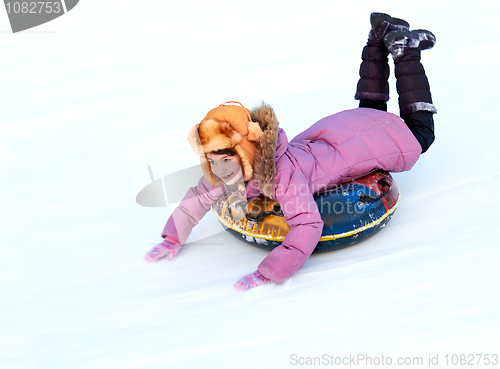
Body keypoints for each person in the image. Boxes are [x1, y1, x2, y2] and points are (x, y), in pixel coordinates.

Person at [144, 12, 437, 291]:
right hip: (336, 133)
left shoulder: (281, 177)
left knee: (421, 134)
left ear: (245, 152)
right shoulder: (227, 167)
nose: (219, 171)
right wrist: (172, 237)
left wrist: (268, 272)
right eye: (211, 160)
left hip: (355, 144)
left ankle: (405, 49)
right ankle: (378, 36)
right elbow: (197, 197)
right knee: (371, 111)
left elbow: (308, 224)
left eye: (225, 160)